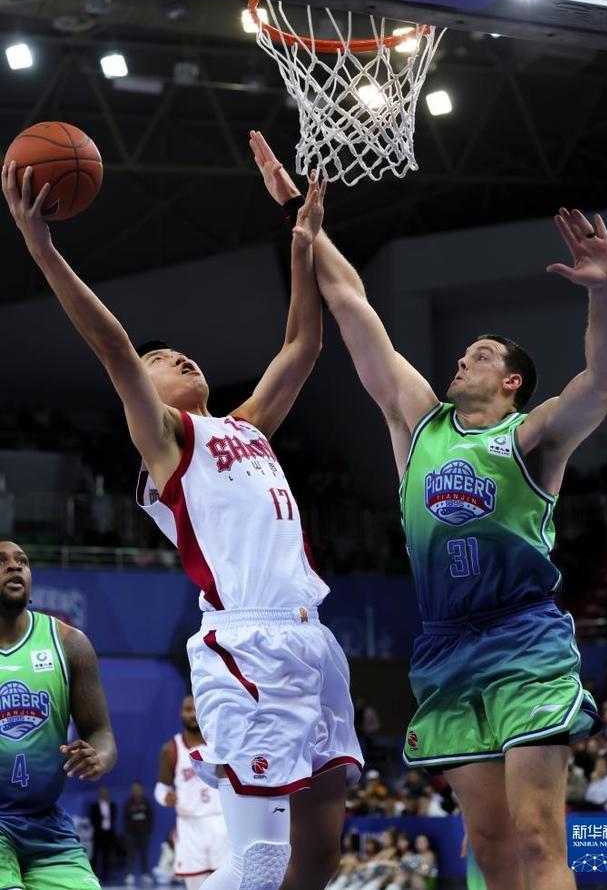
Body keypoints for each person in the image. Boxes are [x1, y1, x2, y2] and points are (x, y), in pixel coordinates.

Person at [250, 130, 607, 890]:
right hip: (446, 647)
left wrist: (605, 292)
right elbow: (351, 304)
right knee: (488, 847)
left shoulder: (532, 436)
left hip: (524, 639)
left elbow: (603, 380)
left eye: (480, 355)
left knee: (537, 837)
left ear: (513, 382)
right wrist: (299, 218)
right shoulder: (418, 423)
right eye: (462, 354)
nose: (462, 359)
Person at [2, 161, 363, 890]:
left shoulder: (246, 426)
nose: (176, 357)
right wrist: (42, 249)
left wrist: (300, 244)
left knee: (320, 858)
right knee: (260, 861)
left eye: (178, 353)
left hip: (312, 639)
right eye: (159, 360)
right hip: (247, 644)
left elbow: (303, 348)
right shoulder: (168, 442)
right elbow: (113, 348)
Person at [0, 540, 117, 890]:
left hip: (46, 826)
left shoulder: (69, 643)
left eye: (22, 561)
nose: (15, 566)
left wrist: (98, 757)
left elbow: (101, 734)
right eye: (1, 561)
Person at [155, 694, 230, 890]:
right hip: (190, 826)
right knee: (195, 885)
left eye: (196, 709)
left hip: (221, 822)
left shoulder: (218, 745)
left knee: (227, 882)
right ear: (181, 713)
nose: (193, 715)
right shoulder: (171, 749)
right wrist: (165, 797)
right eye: (189, 710)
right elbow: (161, 788)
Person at [123, 780, 154, 886]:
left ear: (141, 790)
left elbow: (150, 817)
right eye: (134, 789)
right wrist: (128, 832)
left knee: (144, 854)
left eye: (138, 789)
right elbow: (125, 818)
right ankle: (130, 875)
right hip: (131, 834)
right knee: (131, 855)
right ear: (132, 790)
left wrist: (148, 830)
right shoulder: (128, 803)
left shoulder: (146, 802)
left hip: (144, 833)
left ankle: (145, 874)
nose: (136, 791)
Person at [89, 786, 118, 883]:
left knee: (107, 855)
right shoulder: (94, 806)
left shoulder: (112, 805)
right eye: (102, 792)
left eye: (105, 792)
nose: (104, 794)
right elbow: (92, 819)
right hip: (98, 834)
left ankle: (105, 876)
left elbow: (113, 819)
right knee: (95, 855)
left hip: (108, 834)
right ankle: (93, 874)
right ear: (99, 793)